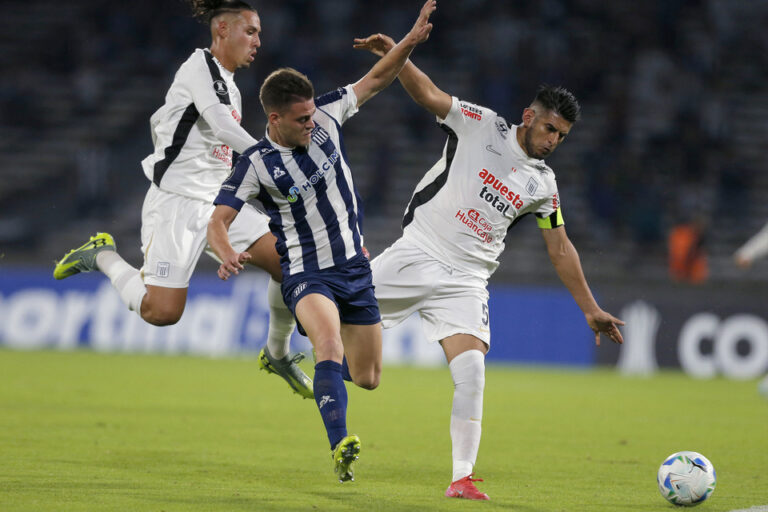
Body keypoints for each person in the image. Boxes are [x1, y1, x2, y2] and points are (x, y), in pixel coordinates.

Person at [354, 33, 625, 500]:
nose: (553, 141)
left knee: (472, 373)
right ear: (529, 117)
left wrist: (589, 308)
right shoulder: (481, 125)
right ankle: (287, 348)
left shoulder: (543, 184)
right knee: (335, 330)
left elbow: (560, 248)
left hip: (467, 280)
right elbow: (429, 94)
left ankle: (461, 477)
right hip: (417, 252)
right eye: (549, 130)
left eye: (562, 136)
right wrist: (396, 54)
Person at [207, 0, 437, 483]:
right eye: (299, 119)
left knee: (369, 375)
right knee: (327, 343)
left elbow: (376, 78)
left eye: (311, 114)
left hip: (355, 268)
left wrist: (408, 42)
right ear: (273, 120)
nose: (310, 123)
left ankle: (329, 380)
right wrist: (227, 251)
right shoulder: (255, 164)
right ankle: (340, 446)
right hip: (307, 274)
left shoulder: (328, 114)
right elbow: (218, 220)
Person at [52, 0, 313, 399]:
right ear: (222, 30)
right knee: (162, 313)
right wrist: (278, 160)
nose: (258, 40)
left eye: (258, 32)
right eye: (251, 31)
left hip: (217, 202)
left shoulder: (230, 84)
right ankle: (100, 254)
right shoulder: (198, 69)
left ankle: (277, 353)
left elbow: (221, 155)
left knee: (289, 261)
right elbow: (224, 129)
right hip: (175, 203)